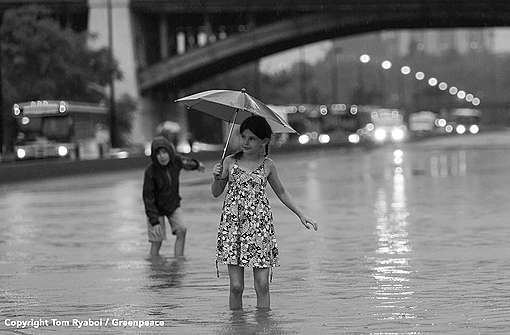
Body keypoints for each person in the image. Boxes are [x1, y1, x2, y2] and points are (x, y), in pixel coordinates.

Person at [211, 115, 318, 310]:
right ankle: (237, 328)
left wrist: (301, 215)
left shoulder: (268, 165)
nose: (245, 142)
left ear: (264, 141)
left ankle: (263, 327)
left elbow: (282, 192)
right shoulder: (229, 161)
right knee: (236, 287)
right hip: (232, 228)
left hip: (260, 229)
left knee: (262, 285)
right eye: (243, 136)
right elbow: (216, 193)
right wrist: (216, 176)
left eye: (251, 138)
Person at [143, 136, 204, 258]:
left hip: (173, 205)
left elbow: (187, 162)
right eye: (158, 154)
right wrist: (154, 221)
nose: (162, 156)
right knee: (157, 240)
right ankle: (155, 268)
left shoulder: (176, 161)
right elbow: (148, 198)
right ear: (154, 156)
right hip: (155, 210)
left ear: (170, 152)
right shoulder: (150, 171)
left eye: (165, 152)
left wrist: (197, 165)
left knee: (182, 230)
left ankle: (179, 260)